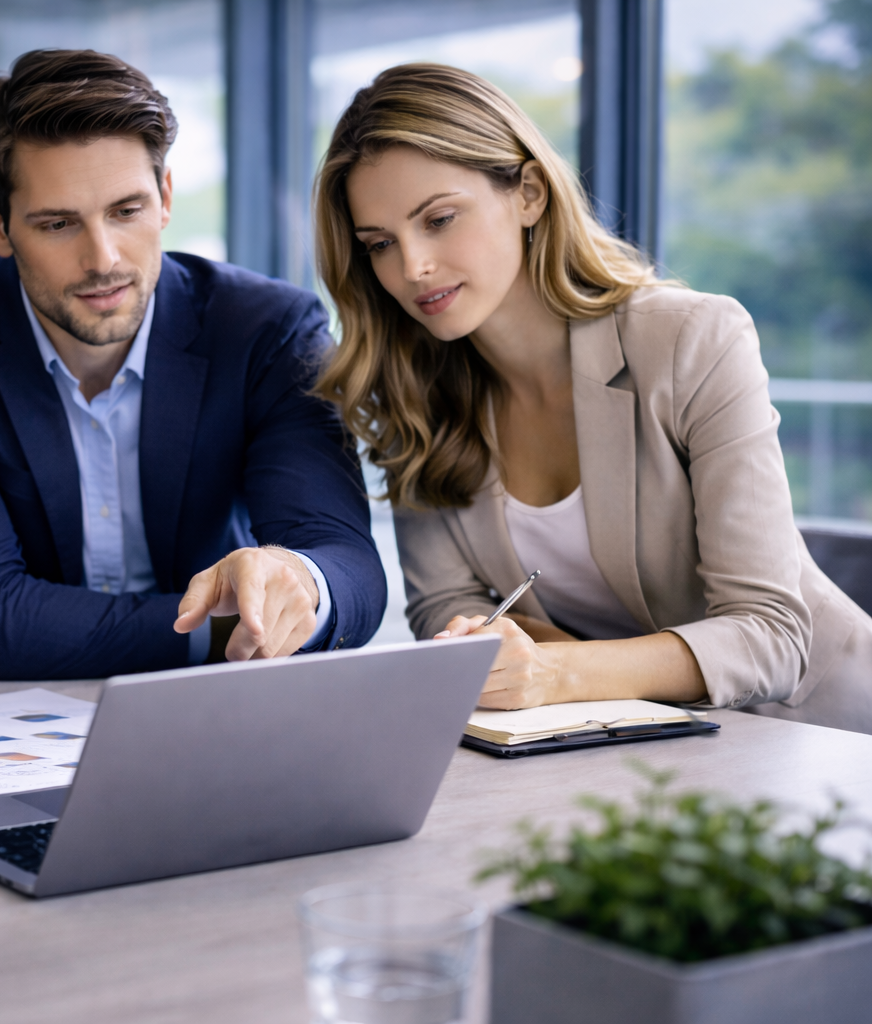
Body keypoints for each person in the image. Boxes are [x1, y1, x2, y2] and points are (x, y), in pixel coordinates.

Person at [312, 63, 872, 732]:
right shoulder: (413, 397)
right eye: (380, 245)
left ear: (528, 193)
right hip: (615, 744)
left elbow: (771, 636)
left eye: (439, 219)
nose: (412, 268)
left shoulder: (693, 339)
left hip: (816, 740)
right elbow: (446, 611)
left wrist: (557, 673)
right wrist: (546, 672)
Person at [0, 49, 386, 686]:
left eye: (126, 211)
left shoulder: (266, 329)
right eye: (58, 224)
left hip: (205, 719)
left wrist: (298, 581)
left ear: (165, 197)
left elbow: (347, 569)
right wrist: (232, 627)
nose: (102, 258)